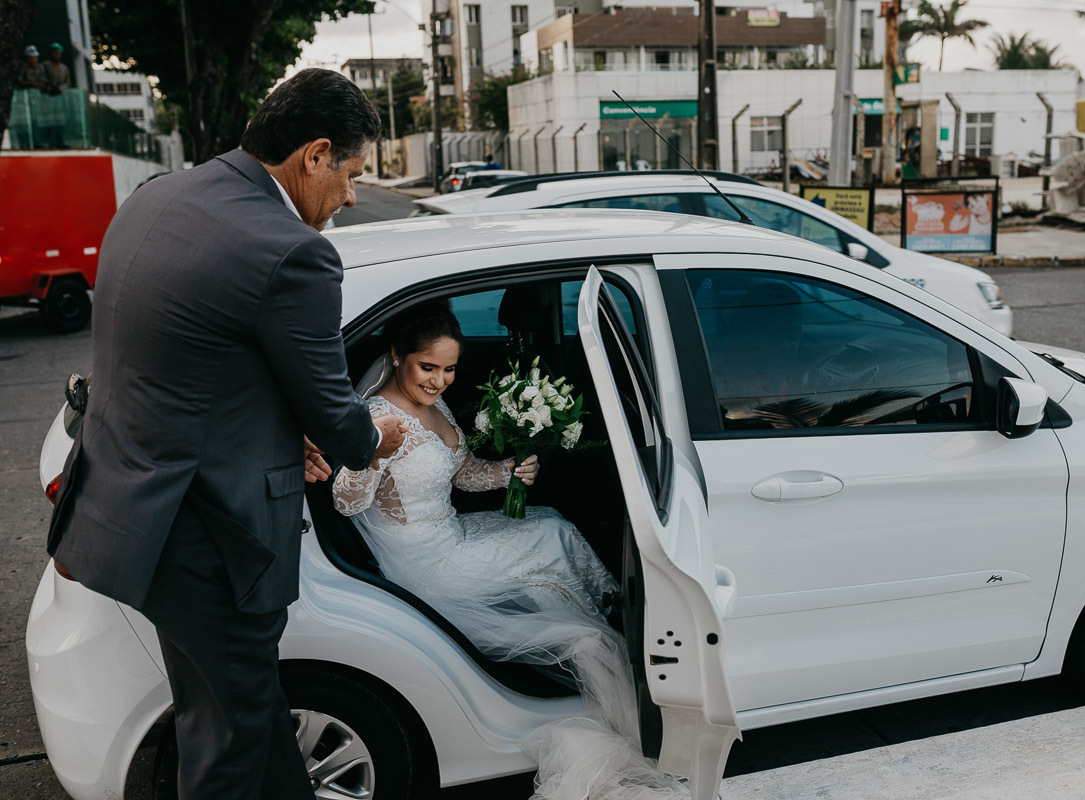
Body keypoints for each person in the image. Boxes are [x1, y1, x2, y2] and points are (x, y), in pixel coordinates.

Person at [46, 68, 407, 800]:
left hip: (131, 507)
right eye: (353, 174)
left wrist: (281, 427)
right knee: (228, 741)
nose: (350, 196)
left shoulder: (162, 196)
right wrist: (380, 439)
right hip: (212, 539)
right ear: (315, 154)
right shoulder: (293, 251)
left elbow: (195, 359)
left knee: (240, 708)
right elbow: (338, 420)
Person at [332, 304, 687, 799]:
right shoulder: (376, 418)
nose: (439, 381)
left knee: (551, 523)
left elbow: (461, 473)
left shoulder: (434, 408)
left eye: (450, 369)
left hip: (453, 535)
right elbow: (346, 502)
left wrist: (508, 473)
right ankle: (620, 621)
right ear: (397, 357)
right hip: (426, 566)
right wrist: (374, 454)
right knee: (551, 538)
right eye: (427, 367)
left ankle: (615, 615)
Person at [12, 46, 43, 148]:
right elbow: (19, 81)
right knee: (23, 123)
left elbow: (43, 81)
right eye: (31, 57)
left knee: (35, 122)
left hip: (35, 100)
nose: (34, 59)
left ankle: (36, 143)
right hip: (22, 100)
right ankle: (23, 144)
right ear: (27, 58)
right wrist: (33, 84)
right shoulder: (22, 68)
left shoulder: (39, 68)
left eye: (35, 57)